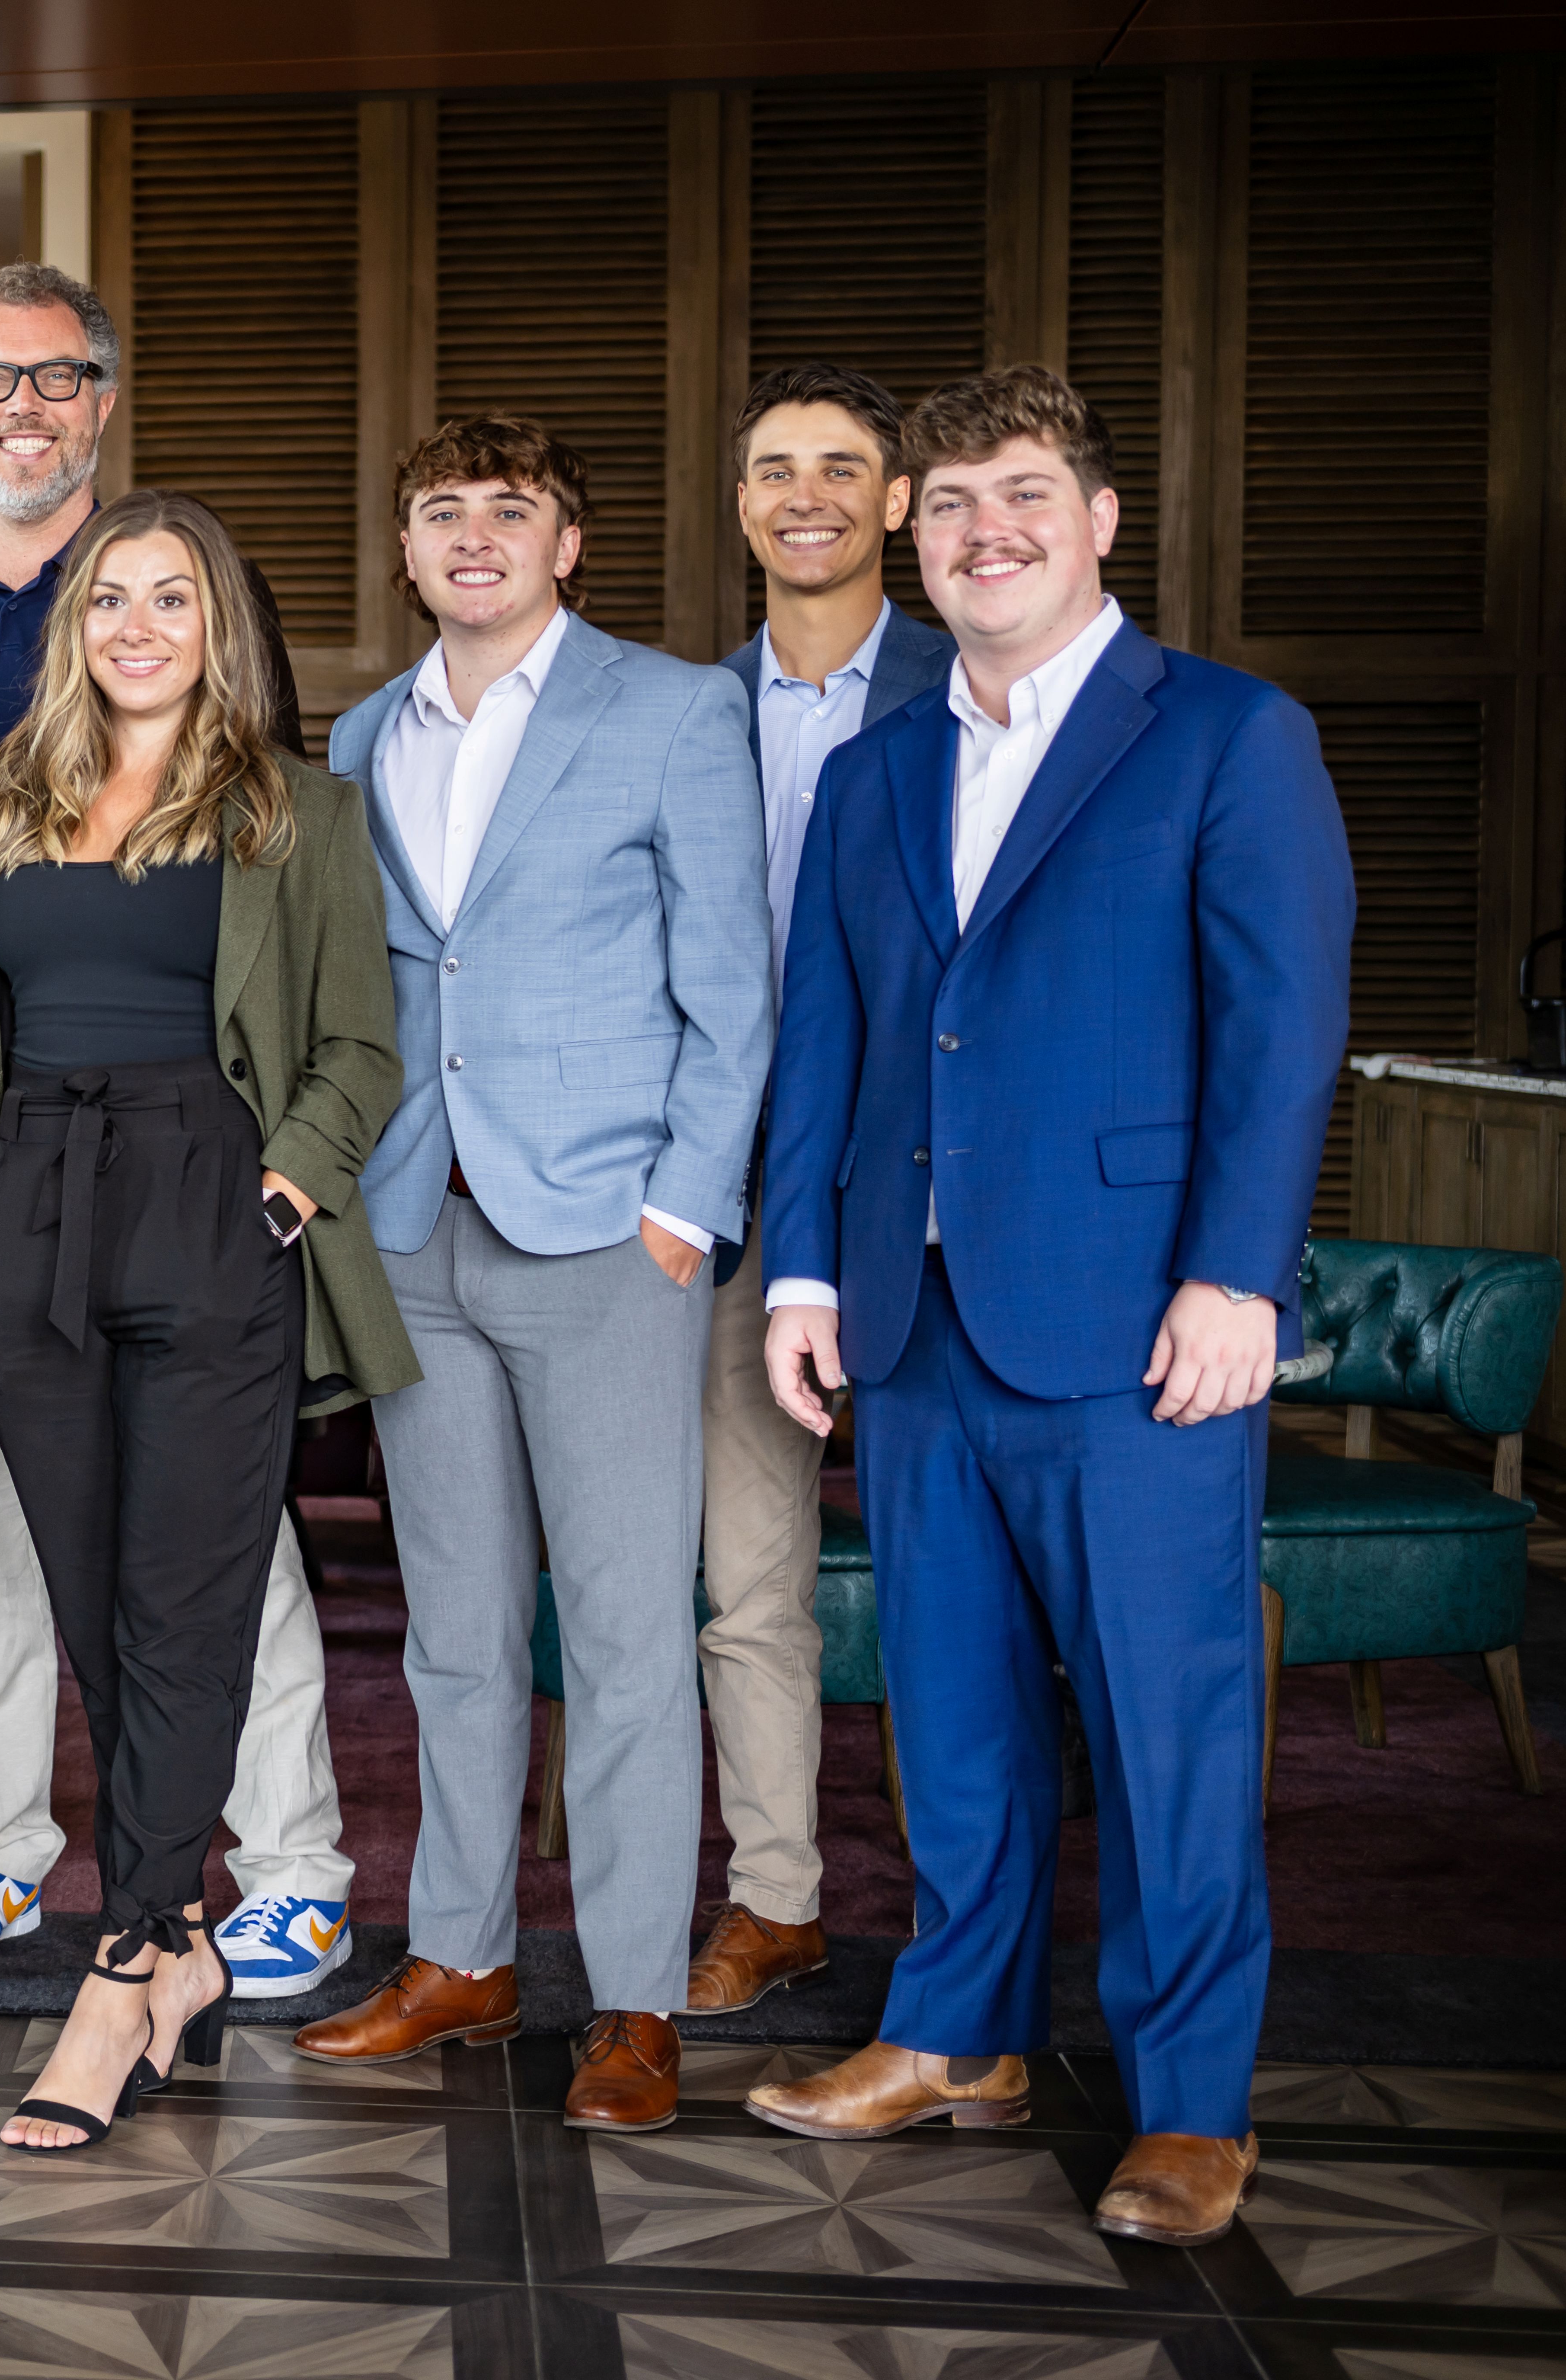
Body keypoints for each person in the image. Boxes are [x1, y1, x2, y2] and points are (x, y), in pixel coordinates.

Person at [748, 366, 1350, 2248]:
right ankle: (959, 2031)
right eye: (948, 506)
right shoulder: (878, 768)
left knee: (1170, 1724)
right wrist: (805, 1263)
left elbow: (1280, 1024)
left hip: (1143, 1324)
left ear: (1099, 523)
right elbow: (828, 1040)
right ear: (915, 548)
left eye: (1022, 494)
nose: (981, 530)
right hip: (917, 1325)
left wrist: (1241, 1270)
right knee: (955, 1711)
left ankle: (1188, 2102)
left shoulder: (1230, 737)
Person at [0, 261, 359, 2003]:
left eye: (59, 380)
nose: (24, 408)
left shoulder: (189, 600)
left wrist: (279, 1172)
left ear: (103, 403)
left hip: (194, 1170)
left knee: (219, 1549)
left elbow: (312, 951)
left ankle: (279, 1864)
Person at [293, 416, 769, 2133]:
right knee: (456, 1629)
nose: (475, 536)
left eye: (513, 510)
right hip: (421, 1232)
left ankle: (634, 1994)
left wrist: (684, 1209)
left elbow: (736, 985)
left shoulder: (672, 710)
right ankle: (464, 1953)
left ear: (570, 543)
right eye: (442, 512)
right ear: (407, 551)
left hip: (608, 1238)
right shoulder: (361, 734)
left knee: (633, 1631)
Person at [0, 490, 415, 2151]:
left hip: (209, 1195)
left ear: (223, 628)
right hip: (30, 1209)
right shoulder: (8, 807)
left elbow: (360, 1043)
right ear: (76, 628)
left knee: (187, 1602)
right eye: (112, 600)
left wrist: (282, 1184)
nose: (139, 626)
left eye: (175, 600)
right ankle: (183, 1943)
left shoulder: (298, 810)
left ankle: (123, 1966)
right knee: (90, 1600)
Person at [687, 365, 955, 2015]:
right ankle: (776, 1892)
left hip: (932, 1189)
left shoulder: (971, 680)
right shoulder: (681, 709)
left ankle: (971, 1930)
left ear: (898, 502)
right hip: (736, 1189)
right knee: (751, 1568)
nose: (809, 496)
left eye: (843, 469)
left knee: (956, 1568)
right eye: (776, 470)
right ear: (741, 507)